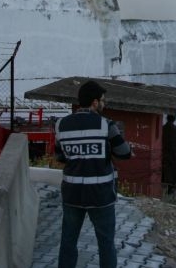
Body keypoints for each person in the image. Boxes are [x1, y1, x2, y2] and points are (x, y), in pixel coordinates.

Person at [55, 81, 131, 268]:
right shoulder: (106, 125)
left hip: (72, 193)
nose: (104, 104)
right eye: (103, 101)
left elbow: (60, 156)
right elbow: (124, 152)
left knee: (68, 242)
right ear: (95, 102)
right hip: (101, 195)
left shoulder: (61, 125)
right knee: (105, 244)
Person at [162, 114, 176, 186]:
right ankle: (175, 187)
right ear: (174, 119)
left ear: (167, 118)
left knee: (166, 171)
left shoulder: (163, 129)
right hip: (175, 154)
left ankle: (166, 186)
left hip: (164, 153)